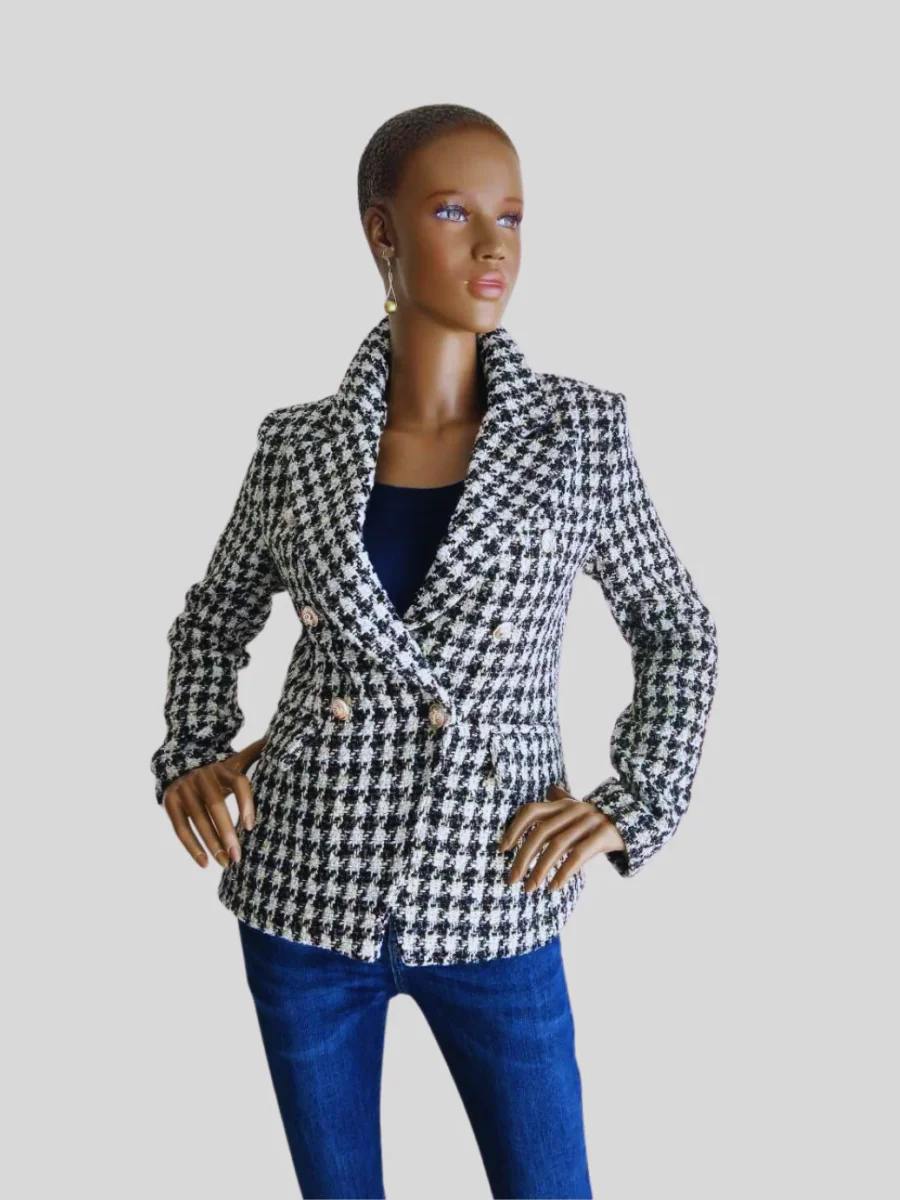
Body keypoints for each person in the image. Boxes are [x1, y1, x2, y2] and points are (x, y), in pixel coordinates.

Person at [150, 102, 719, 1199]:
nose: (494, 246)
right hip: (304, 887)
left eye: (514, 216)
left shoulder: (578, 435)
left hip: (499, 883)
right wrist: (192, 752)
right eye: (455, 213)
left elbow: (676, 628)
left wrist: (636, 798)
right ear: (383, 232)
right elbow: (215, 616)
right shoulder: (297, 446)